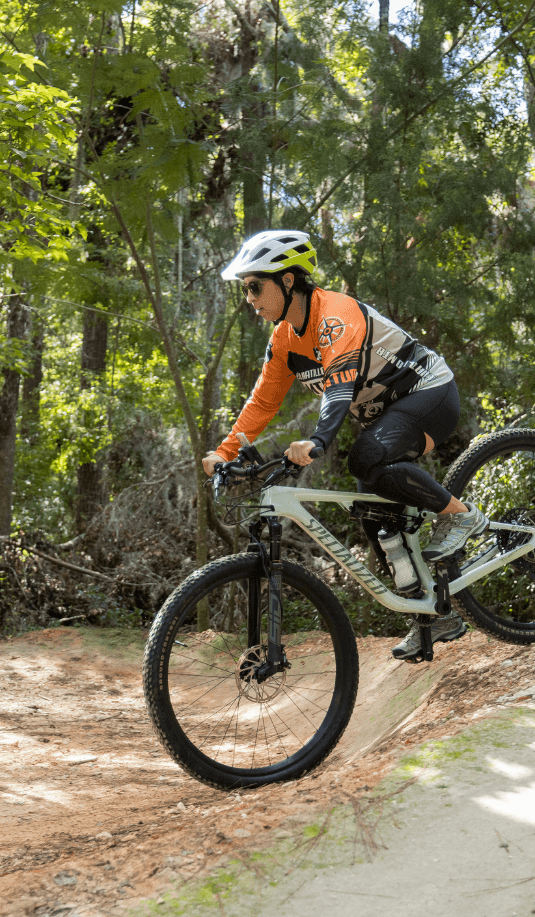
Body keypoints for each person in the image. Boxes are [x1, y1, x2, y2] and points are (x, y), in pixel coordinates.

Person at [200, 229, 485, 661]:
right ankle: (433, 616)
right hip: (385, 416)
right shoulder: (283, 339)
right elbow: (263, 402)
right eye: (245, 290)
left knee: (365, 458)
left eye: (255, 286)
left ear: (288, 280)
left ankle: (461, 516)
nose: (249, 298)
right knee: (376, 518)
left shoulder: (335, 314)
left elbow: (339, 386)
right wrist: (224, 453)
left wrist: (317, 440)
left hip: (429, 393)